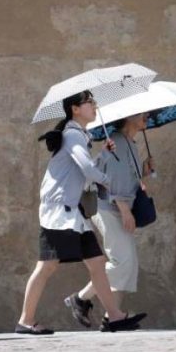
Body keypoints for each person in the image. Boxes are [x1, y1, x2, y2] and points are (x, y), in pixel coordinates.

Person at [15, 90, 142, 334]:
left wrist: (103, 154)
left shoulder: (80, 136)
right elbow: (87, 169)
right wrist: (108, 181)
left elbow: (84, 167)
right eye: (89, 102)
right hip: (59, 211)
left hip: (72, 212)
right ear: (75, 108)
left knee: (97, 262)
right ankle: (25, 320)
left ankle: (114, 316)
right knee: (47, 266)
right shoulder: (72, 134)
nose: (95, 106)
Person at [65, 113, 153, 330]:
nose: (148, 116)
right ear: (129, 116)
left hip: (116, 208)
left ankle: (112, 317)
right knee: (122, 261)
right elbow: (112, 181)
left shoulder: (130, 144)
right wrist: (125, 210)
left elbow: (125, 178)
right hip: (109, 208)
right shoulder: (119, 142)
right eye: (142, 114)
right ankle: (81, 299)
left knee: (127, 262)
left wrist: (144, 172)